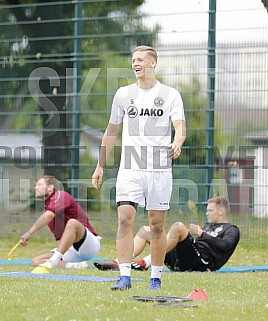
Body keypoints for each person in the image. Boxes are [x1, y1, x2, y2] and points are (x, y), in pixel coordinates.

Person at [92, 45, 186, 290]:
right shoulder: (123, 94)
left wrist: (177, 142)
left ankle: (155, 278)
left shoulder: (170, 94)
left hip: (159, 168)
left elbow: (180, 126)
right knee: (125, 218)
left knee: (156, 226)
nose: (136, 63)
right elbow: (111, 131)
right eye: (133, 59)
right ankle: (124, 277)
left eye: (141, 59)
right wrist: (100, 165)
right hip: (130, 167)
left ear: (153, 63)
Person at [93, 196, 240, 273]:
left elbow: (225, 245)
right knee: (147, 231)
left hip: (202, 263)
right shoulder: (209, 225)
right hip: (184, 260)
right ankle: (120, 262)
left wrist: (201, 233)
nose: (207, 213)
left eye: (210, 210)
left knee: (178, 227)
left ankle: (146, 262)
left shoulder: (231, 229)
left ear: (221, 211)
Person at [20, 175, 101, 269]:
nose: (36, 187)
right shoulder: (48, 212)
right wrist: (63, 257)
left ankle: (54, 261)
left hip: (89, 245)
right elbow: (59, 240)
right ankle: (73, 266)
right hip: (72, 250)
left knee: (72, 223)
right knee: (36, 261)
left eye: (39, 184)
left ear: (50, 188)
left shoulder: (60, 195)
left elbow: (49, 215)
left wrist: (28, 233)